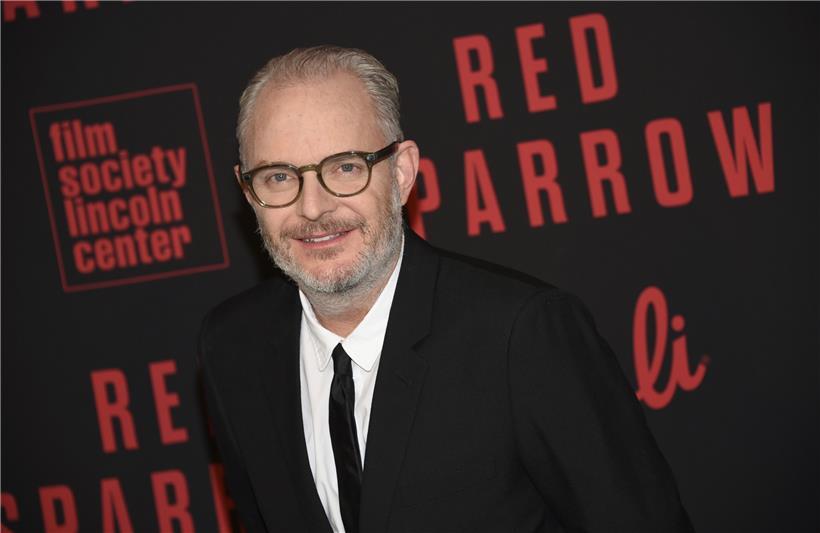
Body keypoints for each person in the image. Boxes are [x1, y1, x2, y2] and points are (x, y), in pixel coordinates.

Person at [198, 45, 694, 533]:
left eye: (345, 167)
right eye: (280, 176)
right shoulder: (233, 347)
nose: (312, 208)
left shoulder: (520, 336)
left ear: (402, 172)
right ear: (248, 191)